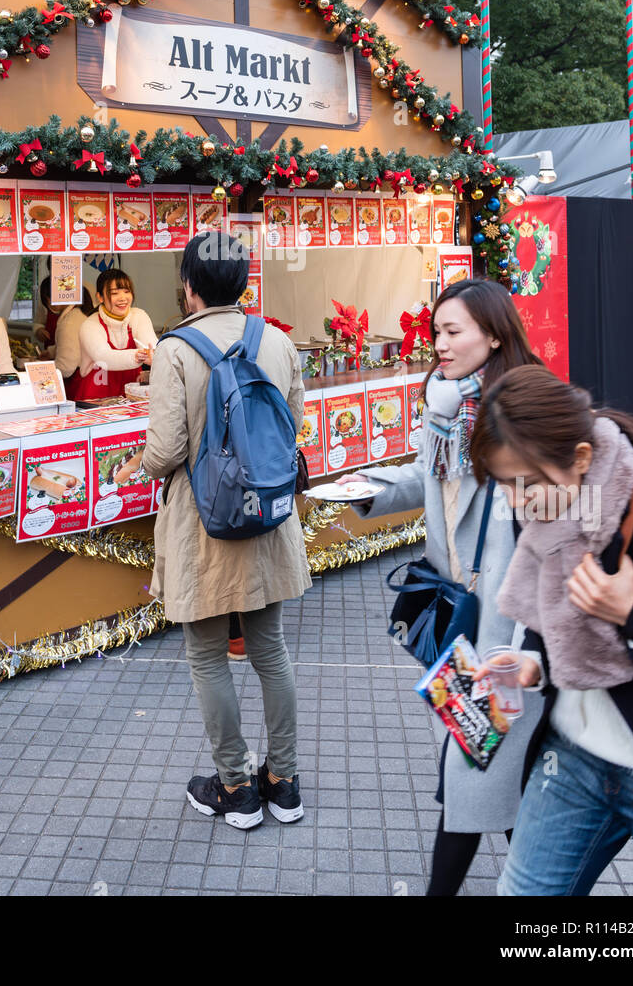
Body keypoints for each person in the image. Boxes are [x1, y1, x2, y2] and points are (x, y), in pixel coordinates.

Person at [345, 278, 544, 895]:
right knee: (487, 776)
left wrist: (529, 644)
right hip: (453, 623)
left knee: (472, 771)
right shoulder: (444, 405)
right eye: (436, 331)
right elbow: (425, 478)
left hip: (504, 634)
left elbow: (550, 536)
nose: (439, 343)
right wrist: (363, 492)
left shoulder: (524, 415)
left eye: (452, 331)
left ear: (493, 333)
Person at [468, 364, 633, 896]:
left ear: (582, 459)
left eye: (527, 483)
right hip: (572, 760)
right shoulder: (546, 509)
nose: (517, 502)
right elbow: (557, 618)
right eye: (504, 485)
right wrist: (533, 662)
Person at [141, 231, 311, 830]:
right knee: (271, 650)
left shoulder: (175, 349)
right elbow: (295, 424)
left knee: (208, 656)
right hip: (267, 516)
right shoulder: (279, 341)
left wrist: (135, 465)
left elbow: (165, 451)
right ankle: (284, 781)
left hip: (204, 524)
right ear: (243, 283)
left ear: (188, 286)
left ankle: (236, 787)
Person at [77, 269, 156, 400]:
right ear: (100, 297)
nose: (123, 298)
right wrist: (137, 356)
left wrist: (154, 353)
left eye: (126, 291)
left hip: (132, 394)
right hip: (98, 396)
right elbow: (103, 357)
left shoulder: (138, 316)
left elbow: (151, 343)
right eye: (114, 293)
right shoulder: (90, 325)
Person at [37, 278, 94, 400]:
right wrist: (52, 352)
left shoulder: (69, 322)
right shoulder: (80, 312)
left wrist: (42, 374)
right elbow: (77, 345)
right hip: (91, 381)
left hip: (78, 385)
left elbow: (66, 368)